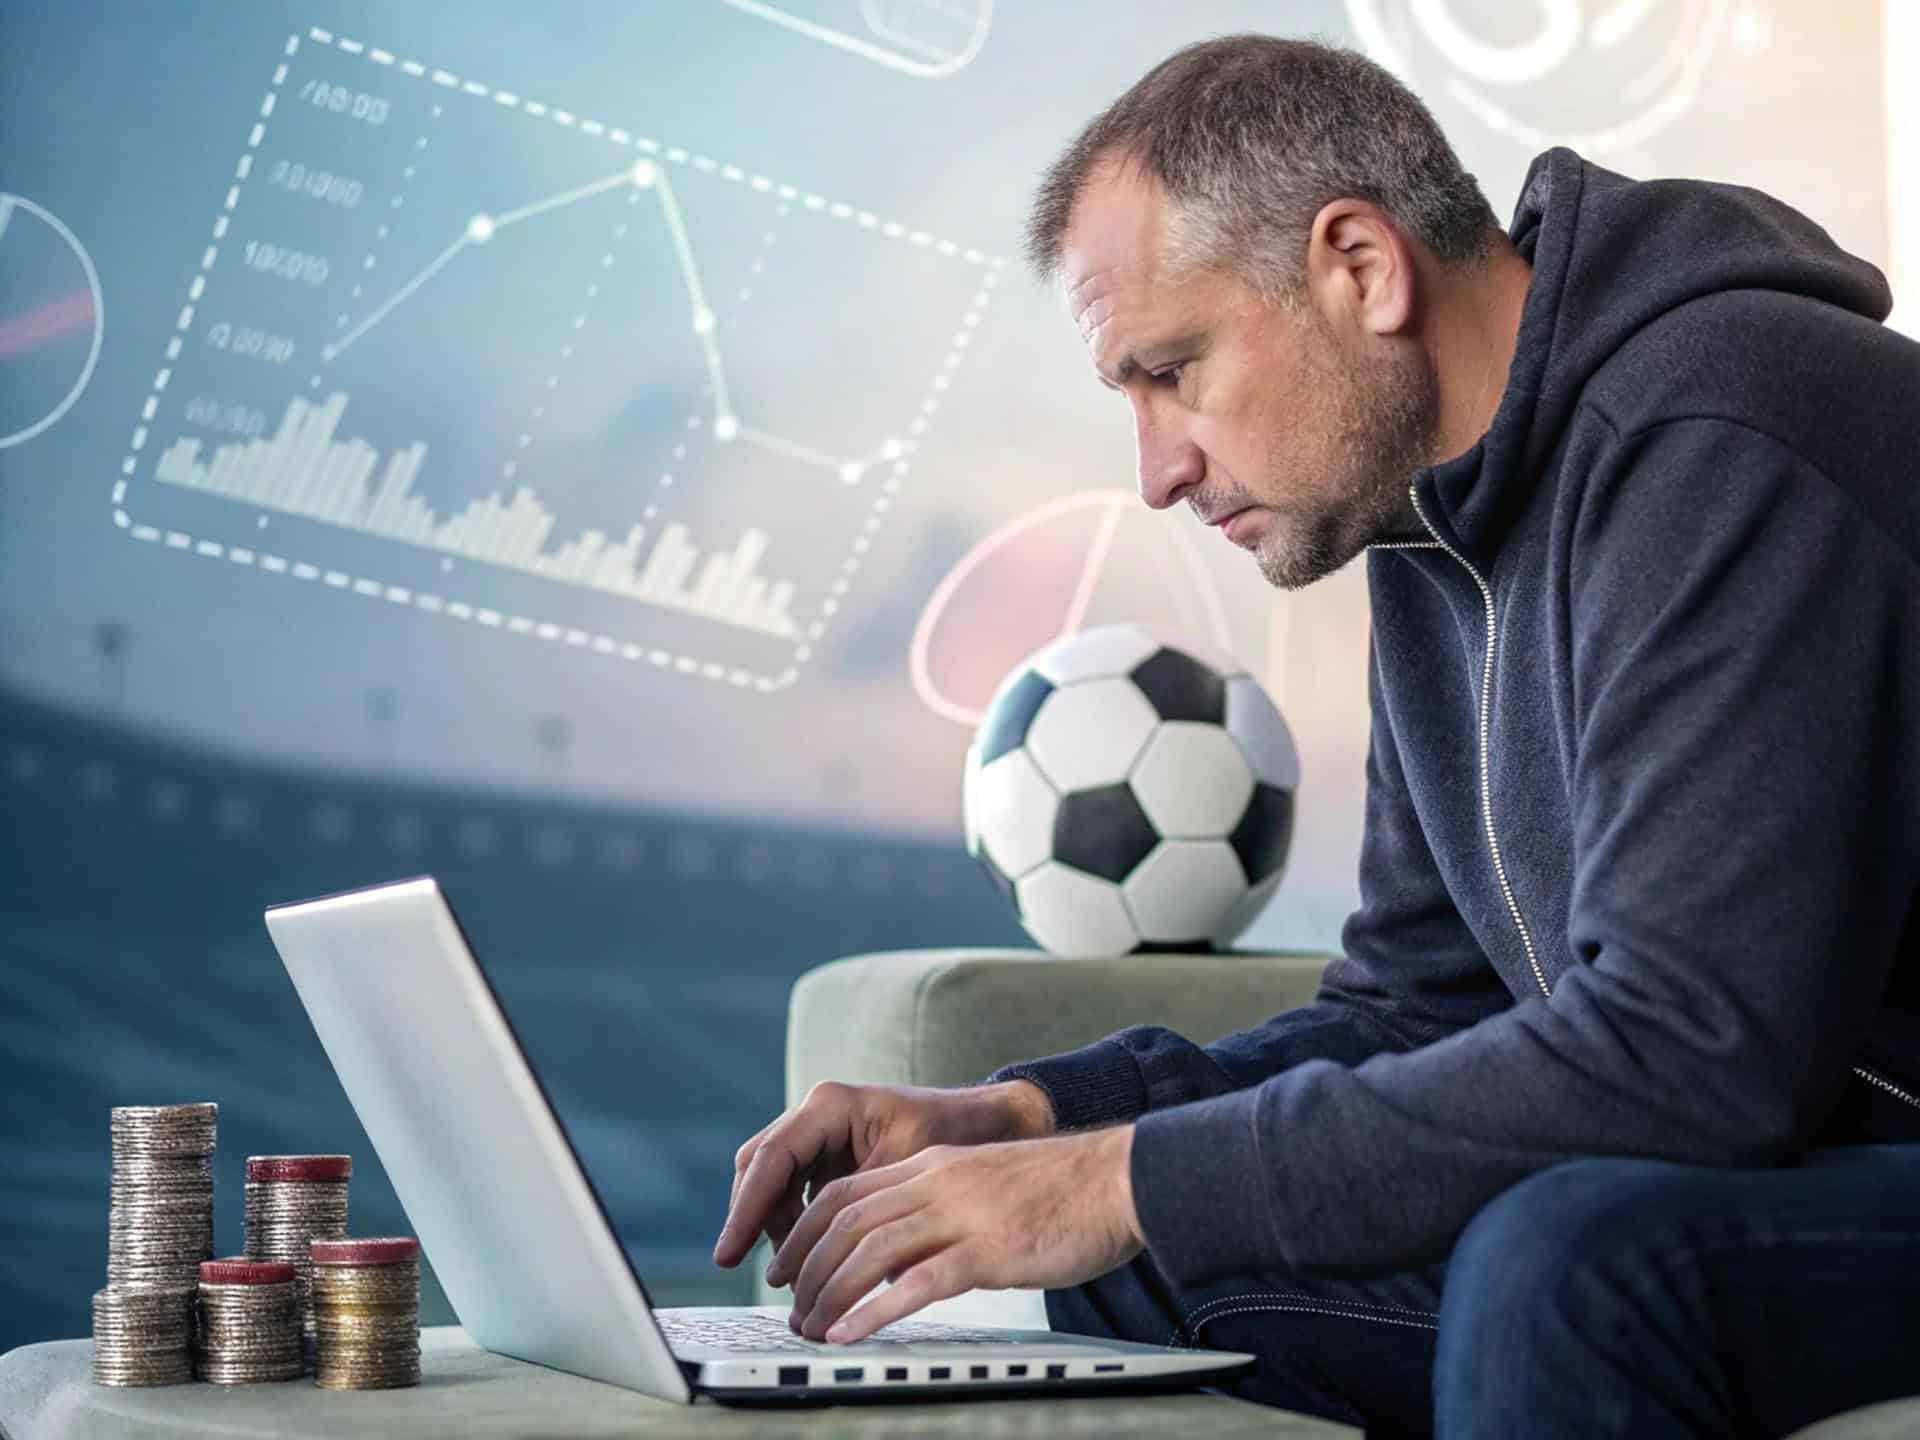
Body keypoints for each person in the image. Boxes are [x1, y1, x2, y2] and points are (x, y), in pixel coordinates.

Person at [713, 33, 1920, 1438]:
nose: (1158, 471)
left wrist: (1116, 1180)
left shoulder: (1730, 428)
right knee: (1137, 1265)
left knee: (1571, 1267)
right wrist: (1037, 1126)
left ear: (1359, 267)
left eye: (1175, 372)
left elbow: (1688, 1053)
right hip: (1796, 1160)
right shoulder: (1429, 523)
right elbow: (1415, 1006)